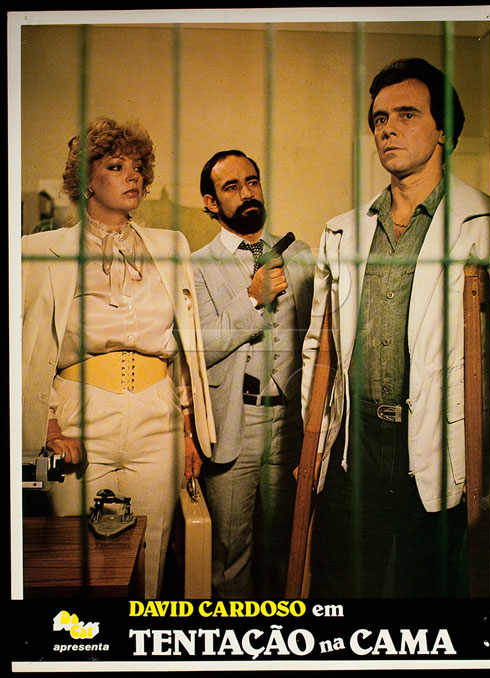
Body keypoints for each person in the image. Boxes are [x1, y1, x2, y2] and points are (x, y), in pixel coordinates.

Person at [302, 58, 490, 598]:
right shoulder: (342, 231)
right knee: (340, 592)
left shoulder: (486, 225)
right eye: (380, 118)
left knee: (425, 596)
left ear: (443, 129)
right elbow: (318, 346)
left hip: (437, 444)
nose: (388, 128)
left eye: (407, 114)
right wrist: (314, 444)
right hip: (355, 446)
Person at [22, 117, 216, 599]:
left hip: (156, 416)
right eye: (116, 166)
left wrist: (187, 430)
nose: (134, 175)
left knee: (150, 558)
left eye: (138, 167)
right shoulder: (39, 251)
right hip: (79, 417)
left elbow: (183, 345)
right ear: (86, 179)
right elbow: (26, 350)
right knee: (79, 563)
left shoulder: (171, 246)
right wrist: (47, 426)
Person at [192, 150, 314, 598]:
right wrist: (251, 300)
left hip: (292, 425)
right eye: (231, 186)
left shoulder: (300, 254)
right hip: (234, 424)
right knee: (230, 555)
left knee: (289, 548)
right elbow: (200, 350)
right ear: (211, 203)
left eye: (252, 182)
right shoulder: (196, 265)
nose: (247, 193)